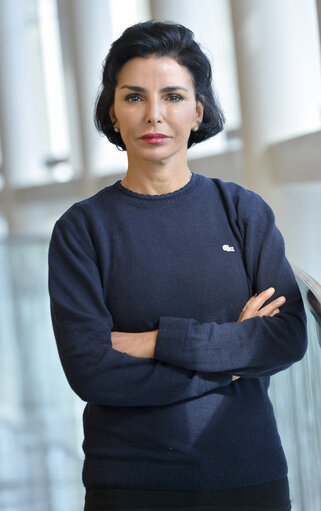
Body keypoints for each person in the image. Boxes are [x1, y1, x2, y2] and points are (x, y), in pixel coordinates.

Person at [48, 20, 307, 511]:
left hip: (248, 472)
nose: (153, 115)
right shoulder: (81, 230)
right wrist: (230, 364)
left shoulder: (242, 211)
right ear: (113, 112)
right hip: (129, 481)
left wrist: (157, 342)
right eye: (133, 97)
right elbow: (91, 370)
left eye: (171, 96)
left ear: (197, 110)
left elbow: (286, 335)